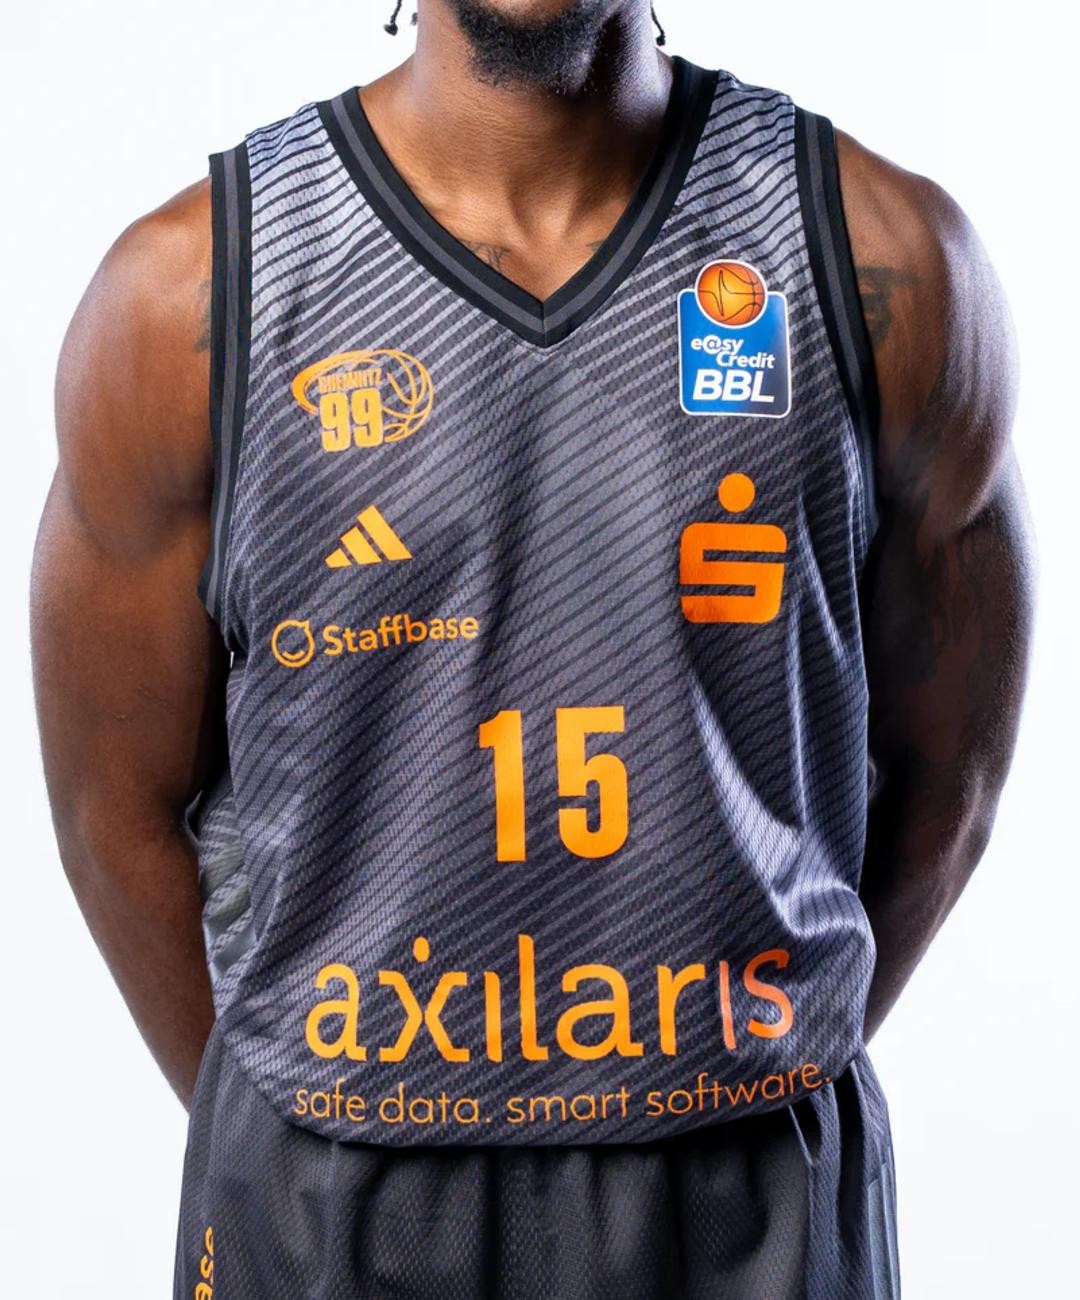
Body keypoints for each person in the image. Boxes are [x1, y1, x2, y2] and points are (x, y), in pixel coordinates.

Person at [30, 1, 1034, 1296]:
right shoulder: (187, 297)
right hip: (331, 1193)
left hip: (747, 1191)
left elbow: (952, 783)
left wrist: (743, 1053)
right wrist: (305, 1107)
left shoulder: (882, 259)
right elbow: (110, 810)